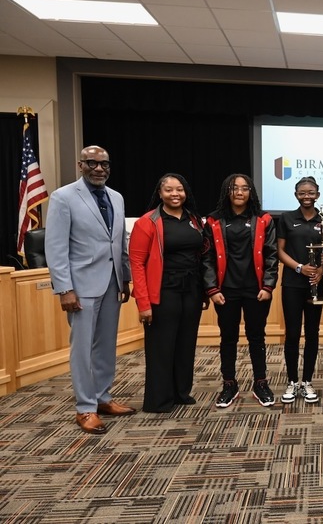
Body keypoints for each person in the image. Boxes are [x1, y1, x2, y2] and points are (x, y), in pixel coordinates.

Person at [45, 145, 136, 434]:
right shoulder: (63, 197)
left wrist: (124, 277)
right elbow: (56, 247)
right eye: (92, 163)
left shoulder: (116, 197)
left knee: (106, 345)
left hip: (111, 283)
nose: (99, 169)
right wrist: (64, 288)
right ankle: (85, 408)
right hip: (80, 286)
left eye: (104, 164)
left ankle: (102, 398)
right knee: (82, 349)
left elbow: (119, 240)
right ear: (80, 165)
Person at [129, 173, 206, 413]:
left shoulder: (194, 219)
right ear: (160, 194)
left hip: (191, 290)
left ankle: (180, 393)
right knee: (161, 347)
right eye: (169, 190)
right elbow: (137, 263)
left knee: (185, 343)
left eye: (179, 189)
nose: (175, 194)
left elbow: (201, 256)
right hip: (163, 292)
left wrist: (203, 292)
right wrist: (143, 303)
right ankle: (159, 400)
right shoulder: (148, 221)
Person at [202, 174, 278, 408]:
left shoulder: (263, 219)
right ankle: (229, 383)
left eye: (245, 188)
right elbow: (206, 258)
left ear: (251, 193)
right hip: (225, 291)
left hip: (256, 290)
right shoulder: (213, 221)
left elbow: (271, 255)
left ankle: (260, 382)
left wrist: (268, 285)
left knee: (257, 336)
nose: (239, 192)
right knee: (228, 338)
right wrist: (212, 289)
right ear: (227, 191)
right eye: (234, 188)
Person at [276, 176, 323, 404]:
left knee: (313, 333)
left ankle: (307, 382)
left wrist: (320, 269)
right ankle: (292, 382)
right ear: (296, 195)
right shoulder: (286, 218)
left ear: (318, 194)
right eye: (302, 193)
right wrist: (299, 267)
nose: (307, 196)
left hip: (316, 284)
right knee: (293, 333)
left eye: (311, 192)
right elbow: (280, 251)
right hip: (292, 284)